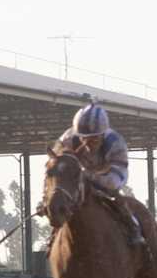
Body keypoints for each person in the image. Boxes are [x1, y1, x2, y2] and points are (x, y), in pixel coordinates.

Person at [53, 104, 145, 248]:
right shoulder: (67, 139)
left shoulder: (115, 143)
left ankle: (132, 226)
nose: (88, 144)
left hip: (107, 176)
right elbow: (55, 167)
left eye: (94, 139)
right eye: (84, 139)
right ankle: (53, 237)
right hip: (77, 178)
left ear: (102, 134)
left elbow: (115, 182)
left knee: (114, 194)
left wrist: (88, 175)